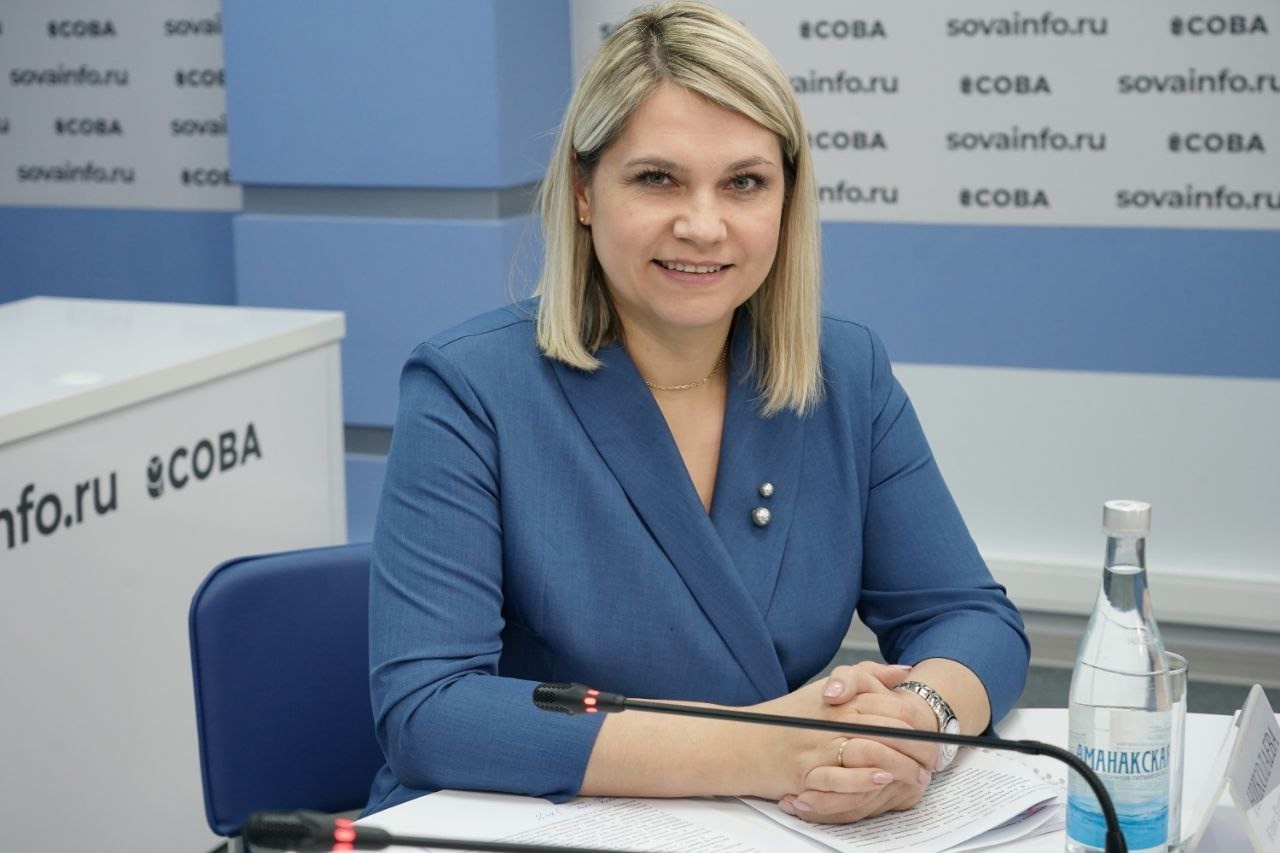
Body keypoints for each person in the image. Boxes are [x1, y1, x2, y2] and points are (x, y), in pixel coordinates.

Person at [366, 0, 1028, 826]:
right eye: (658, 178)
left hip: (774, 824)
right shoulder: (469, 386)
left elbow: (969, 616)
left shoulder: (845, 372)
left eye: (745, 183)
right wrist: (766, 746)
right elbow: (431, 709)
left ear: (786, 199)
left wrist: (914, 725)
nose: (704, 225)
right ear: (583, 191)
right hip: (528, 823)